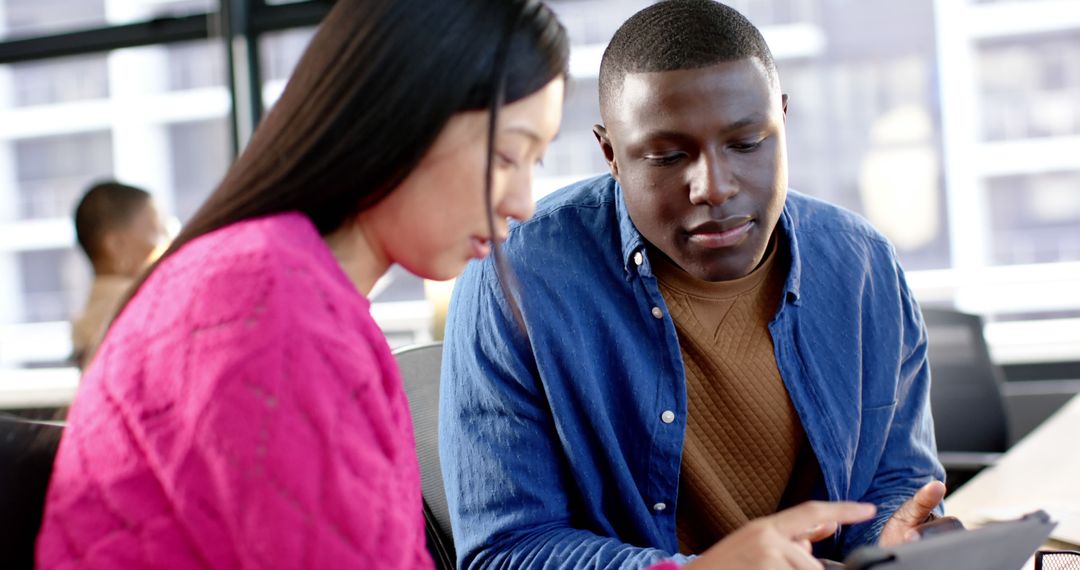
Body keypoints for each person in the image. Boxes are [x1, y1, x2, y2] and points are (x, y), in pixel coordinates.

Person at [36, 1, 568, 568]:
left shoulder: (288, 287)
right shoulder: (266, 305)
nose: (523, 203)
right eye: (508, 155)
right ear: (401, 112)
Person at [439, 1, 946, 568]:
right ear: (610, 153)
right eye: (667, 156)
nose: (714, 187)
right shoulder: (516, 276)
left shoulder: (862, 266)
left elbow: (894, 481)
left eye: (748, 143)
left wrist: (899, 543)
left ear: (781, 119)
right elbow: (505, 552)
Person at [70, 181, 166, 369]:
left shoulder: (92, 316)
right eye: (157, 232)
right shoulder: (138, 306)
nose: (168, 243)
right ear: (116, 245)